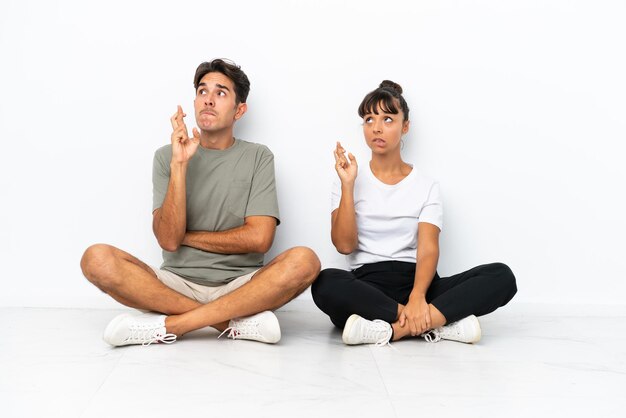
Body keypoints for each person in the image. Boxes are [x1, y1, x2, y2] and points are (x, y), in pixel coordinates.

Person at [81, 59, 320, 347]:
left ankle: (174, 324)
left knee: (305, 261)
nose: (208, 100)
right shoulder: (166, 156)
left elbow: (260, 238)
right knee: (96, 259)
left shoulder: (258, 157)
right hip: (174, 284)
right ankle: (229, 323)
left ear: (239, 110)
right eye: (202, 91)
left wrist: (188, 238)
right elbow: (169, 241)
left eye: (220, 93)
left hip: (241, 286)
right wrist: (180, 165)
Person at [311, 80, 517, 346]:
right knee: (325, 282)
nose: (376, 128)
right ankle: (436, 324)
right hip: (369, 285)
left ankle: (392, 330)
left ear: (404, 126)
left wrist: (418, 297)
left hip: (420, 283)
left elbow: (428, 248)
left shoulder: (425, 185)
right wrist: (348, 185)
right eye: (369, 119)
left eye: (387, 119)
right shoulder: (346, 179)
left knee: (501, 276)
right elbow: (344, 245)